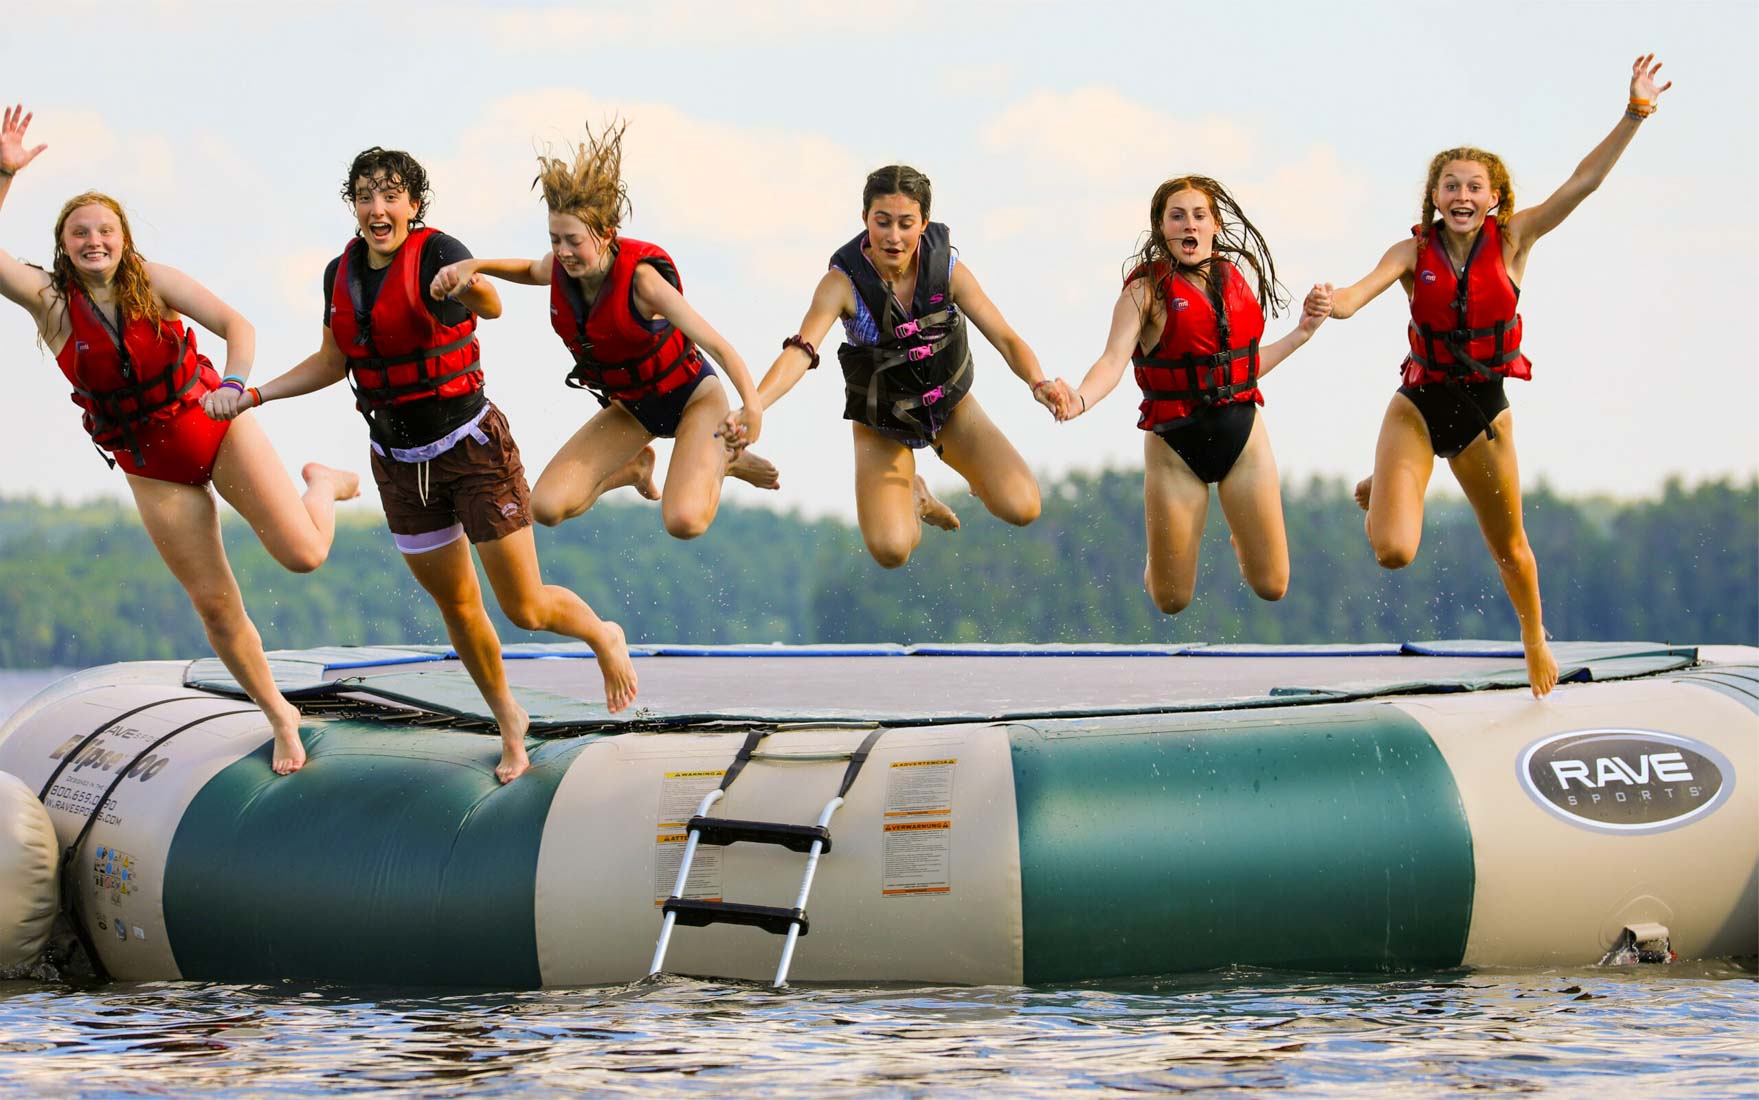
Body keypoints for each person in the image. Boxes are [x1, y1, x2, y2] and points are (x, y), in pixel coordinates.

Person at [210, 146, 637, 783]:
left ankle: (603, 634)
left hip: (471, 446)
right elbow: (333, 361)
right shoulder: (340, 273)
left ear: (413, 204)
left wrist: (472, 285)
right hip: (397, 461)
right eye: (365, 196)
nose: (377, 209)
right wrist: (256, 394)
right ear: (353, 205)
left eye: (390, 195)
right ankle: (509, 721)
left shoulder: (438, 253)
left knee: (524, 607)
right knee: (459, 607)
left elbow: (491, 307)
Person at [0, 104, 359, 776]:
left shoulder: (153, 281)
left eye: (106, 230)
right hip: (153, 467)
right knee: (215, 606)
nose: (94, 240)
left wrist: (236, 380)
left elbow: (236, 322)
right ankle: (279, 714)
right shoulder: (51, 304)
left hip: (213, 426)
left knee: (304, 556)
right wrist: (4, 173)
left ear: (124, 238)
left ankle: (322, 483)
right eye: (80, 233)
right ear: (64, 245)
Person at [1325, 55, 1673, 698]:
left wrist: (1635, 113)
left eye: (1473, 187)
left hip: (1485, 414)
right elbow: (1354, 296)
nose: (1461, 196)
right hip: (1419, 405)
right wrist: (1330, 302)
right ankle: (1395, 473)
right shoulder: (1411, 253)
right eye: (1450, 185)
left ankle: (1535, 638)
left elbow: (1582, 184)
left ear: (1494, 198)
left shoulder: (1515, 241)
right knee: (1393, 551)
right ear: (1435, 196)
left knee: (1511, 545)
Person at [432, 122, 778, 538]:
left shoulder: (644, 282)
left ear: (606, 232)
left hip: (693, 400)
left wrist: (751, 405)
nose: (562, 251)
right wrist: (475, 266)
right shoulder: (560, 266)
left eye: (573, 240)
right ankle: (634, 466)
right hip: (633, 406)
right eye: (554, 238)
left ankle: (721, 456)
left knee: (684, 521)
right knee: (545, 506)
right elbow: (530, 268)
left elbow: (717, 345)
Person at [1048, 176, 1328, 614]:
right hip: (1175, 448)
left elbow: (1243, 369)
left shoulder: (1234, 280)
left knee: (1272, 585)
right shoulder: (1144, 292)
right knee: (1172, 600)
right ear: (1161, 228)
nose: (1188, 226)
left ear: (1215, 225)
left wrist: (1302, 333)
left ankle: (1242, 532)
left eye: (1199, 216)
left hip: (1243, 439)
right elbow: (1111, 361)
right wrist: (1078, 399)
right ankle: (1158, 559)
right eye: (1177, 217)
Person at [754, 165, 1054, 568]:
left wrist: (1039, 383)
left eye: (905, 224)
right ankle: (916, 498)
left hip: (948, 407)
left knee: (1023, 507)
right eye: (882, 222)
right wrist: (754, 405)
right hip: (881, 420)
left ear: (923, 224)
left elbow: (1006, 338)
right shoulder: (841, 284)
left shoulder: (947, 271)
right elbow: (801, 351)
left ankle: (943, 478)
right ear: (865, 220)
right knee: (892, 551)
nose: (893, 236)